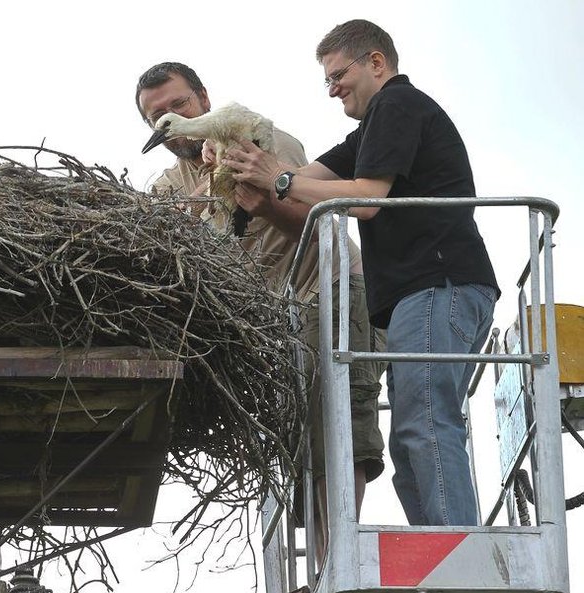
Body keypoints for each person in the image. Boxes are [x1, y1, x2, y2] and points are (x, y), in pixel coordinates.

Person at [223, 20, 499, 527]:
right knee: (410, 435)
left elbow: (366, 199)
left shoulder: (397, 104)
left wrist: (276, 178)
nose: (332, 89)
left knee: (426, 426)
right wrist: (244, 171)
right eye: (325, 81)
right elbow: (309, 180)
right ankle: (438, 551)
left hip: (440, 289)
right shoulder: (371, 129)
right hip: (422, 299)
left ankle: (458, 552)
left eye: (337, 75)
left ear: (376, 62)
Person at [135, 62, 386, 560]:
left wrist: (248, 197)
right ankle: (321, 560)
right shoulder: (166, 186)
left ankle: (340, 559)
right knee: (290, 438)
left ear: (203, 100)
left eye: (178, 104)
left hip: (327, 287)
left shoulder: (258, 139)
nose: (170, 118)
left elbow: (319, 225)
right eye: (156, 115)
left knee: (333, 423)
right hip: (269, 319)